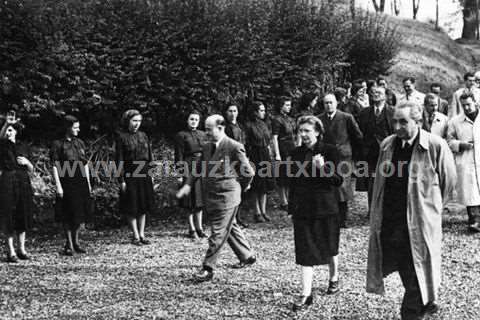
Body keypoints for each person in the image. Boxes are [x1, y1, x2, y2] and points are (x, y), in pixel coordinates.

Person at [367, 102, 456, 320]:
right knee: (404, 265)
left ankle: (412, 312)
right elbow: (380, 181)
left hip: (419, 222)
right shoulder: (388, 145)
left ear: (417, 121)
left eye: (403, 121)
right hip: (392, 220)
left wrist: (431, 209)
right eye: (395, 121)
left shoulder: (435, 145)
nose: (397, 126)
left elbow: (449, 182)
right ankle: (424, 301)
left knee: (418, 262)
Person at [176, 114, 256, 282]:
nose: (206, 133)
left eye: (208, 129)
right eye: (205, 129)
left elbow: (248, 172)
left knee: (218, 231)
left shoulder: (234, 146)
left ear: (220, 128)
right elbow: (197, 169)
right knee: (230, 226)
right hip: (212, 195)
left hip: (228, 196)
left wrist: (239, 186)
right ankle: (247, 256)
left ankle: (208, 268)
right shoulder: (206, 147)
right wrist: (187, 185)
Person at [288, 115, 344, 311]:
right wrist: (291, 207)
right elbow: (292, 182)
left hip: (325, 208)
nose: (303, 135)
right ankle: (306, 294)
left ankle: (334, 277)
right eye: (300, 131)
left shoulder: (330, 151)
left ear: (318, 132)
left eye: (307, 131)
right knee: (305, 251)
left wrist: (323, 168)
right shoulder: (295, 153)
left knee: (330, 246)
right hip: (303, 209)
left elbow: (338, 180)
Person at [319, 94, 363, 228]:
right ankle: (329, 217)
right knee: (328, 186)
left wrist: (352, 153)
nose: (329, 105)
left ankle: (343, 219)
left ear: (336, 103)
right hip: (326, 157)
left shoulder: (346, 117)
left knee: (342, 188)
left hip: (343, 157)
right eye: (326, 103)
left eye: (331, 103)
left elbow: (357, 136)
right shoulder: (319, 119)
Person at [51, 115, 92, 256]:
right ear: (67, 128)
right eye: (75, 127)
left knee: (79, 212)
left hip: (80, 180)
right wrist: (58, 186)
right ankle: (68, 244)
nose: (78, 130)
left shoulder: (80, 143)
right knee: (68, 213)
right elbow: (55, 166)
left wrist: (87, 182)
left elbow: (85, 163)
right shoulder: (58, 144)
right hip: (66, 180)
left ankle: (76, 242)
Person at [115, 109, 154, 245]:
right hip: (130, 172)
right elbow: (119, 160)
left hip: (143, 172)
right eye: (134, 121)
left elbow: (149, 157)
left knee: (143, 204)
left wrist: (151, 173)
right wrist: (121, 180)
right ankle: (135, 235)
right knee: (132, 205)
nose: (137, 124)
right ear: (127, 121)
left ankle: (142, 234)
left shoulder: (143, 135)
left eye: (139, 121)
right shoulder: (121, 137)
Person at [0, 116, 34, 262]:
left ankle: (21, 249)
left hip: (23, 181)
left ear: (16, 132)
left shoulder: (23, 146)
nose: (9, 133)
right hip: (8, 181)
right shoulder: (2, 146)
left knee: (23, 213)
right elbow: (1, 137)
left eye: (11, 130)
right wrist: (8, 122)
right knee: (9, 215)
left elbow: (32, 170)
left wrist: (27, 162)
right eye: (7, 130)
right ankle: (11, 251)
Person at [358, 86, 395, 213]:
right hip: (369, 153)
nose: (375, 95)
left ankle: (386, 209)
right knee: (371, 182)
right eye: (373, 93)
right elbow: (360, 132)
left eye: (379, 93)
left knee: (388, 180)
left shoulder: (392, 112)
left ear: (385, 96)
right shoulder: (364, 112)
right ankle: (372, 209)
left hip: (387, 152)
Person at [447, 92, 480, 232]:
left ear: (475, 102)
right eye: (464, 105)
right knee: (470, 191)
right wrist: (461, 145)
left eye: (469, 104)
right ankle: (475, 221)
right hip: (466, 159)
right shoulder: (455, 121)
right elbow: (449, 140)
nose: (467, 108)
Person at [175, 110, 208, 239]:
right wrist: (180, 173)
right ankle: (191, 229)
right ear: (187, 120)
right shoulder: (181, 135)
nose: (194, 122)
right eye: (191, 119)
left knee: (199, 199)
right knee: (189, 200)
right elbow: (178, 155)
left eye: (196, 119)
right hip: (188, 166)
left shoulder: (203, 134)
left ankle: (199, 227)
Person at [244, 101, 275, 222]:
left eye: (264, 110)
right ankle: (257, 212)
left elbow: (268, 140)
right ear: (254, 112)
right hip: (255, 154)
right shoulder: (248, 125)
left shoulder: (264, 124)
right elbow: (247, 143)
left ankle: (263, 210)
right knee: (257, 184)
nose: (263, 112)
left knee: (265, 183)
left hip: (265, 154)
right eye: (261, 110)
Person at [224, 104, 248, 228]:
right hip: (231, 161)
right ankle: (232, 218)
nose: (233, 113)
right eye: (230, 111)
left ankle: (238, 217)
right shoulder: (225, 128)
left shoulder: (239, 126)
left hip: (240, 160)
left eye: (235, 111)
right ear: (226, 113)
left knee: (240, 189)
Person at [272, 97, 296, 211]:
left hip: (291, 147)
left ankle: (289, 199)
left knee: (290, 174)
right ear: (281, 106)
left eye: (289, 105)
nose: (289, 107)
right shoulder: (277, 119)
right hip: (282, 148)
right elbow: (275, 138)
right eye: (286, 105)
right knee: (282, 175)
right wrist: (277, 154)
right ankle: (283, 201)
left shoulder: (289, 119)